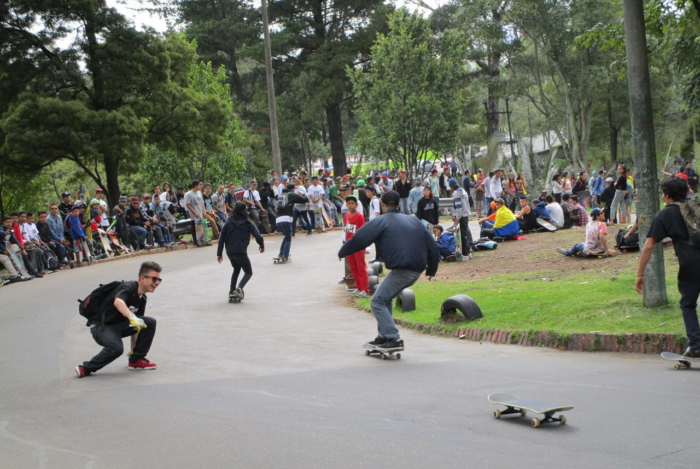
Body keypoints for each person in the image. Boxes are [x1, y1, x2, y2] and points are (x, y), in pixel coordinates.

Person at [338, 191, 440, 350]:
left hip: (402, 271)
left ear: (382, 204)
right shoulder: (414, 220)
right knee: (384, 298)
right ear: (399, 204)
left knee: (377, 301)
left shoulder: (381, 221)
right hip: (415, 270)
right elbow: (433, 246)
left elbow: (360, 238)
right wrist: (431, 269)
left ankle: (393, 338)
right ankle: (384, 336)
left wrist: (343, 251)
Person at [635, 178, 700, 357]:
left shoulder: (665, 214)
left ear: (666, 194)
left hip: (691, 265)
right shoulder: (696, 207)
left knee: (688, 304)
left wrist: (640, 273)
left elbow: (649, 246)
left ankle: (696, 345)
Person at [75, 261, 162, 378]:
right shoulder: (128, 287)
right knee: (116, 349)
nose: (157, 283)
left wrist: (134, 351)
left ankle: (136, 361)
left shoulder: (142, 298)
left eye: (159, 280)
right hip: (102, 326)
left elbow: (137, 326)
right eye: (154, 279)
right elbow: (118, 302)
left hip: (119, 325)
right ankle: (86, 368)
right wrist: (132, 317)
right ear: (142, 278)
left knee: (149, 322)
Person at [217, 202, 265, 299]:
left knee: (236, 269)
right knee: (248, 272)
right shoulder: (248, 223)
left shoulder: (228, 222)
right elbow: (258, 236)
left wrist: (219, 253)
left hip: (230, 251)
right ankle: (239, 288)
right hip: (241, 252)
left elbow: (221, 238)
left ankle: (232, 290)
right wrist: (261, 245)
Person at [343, 195, 370, 298]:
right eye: (348, 203)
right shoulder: (346, 216)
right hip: (350, 246)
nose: (350, 205)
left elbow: (362, 231)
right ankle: (358, 287)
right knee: (353, 268)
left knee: (361, 268)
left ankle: (365, 289)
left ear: (356, 205)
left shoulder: (359, 216)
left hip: (358, 246)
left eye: (352, 203)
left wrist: (362, 245)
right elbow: (346, 230)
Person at [275, 183, 309, 262]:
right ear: (293, 188)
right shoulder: (291, 195)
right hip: (286, 218)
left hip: (278, 219)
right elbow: (305, 199)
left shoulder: (281, 195)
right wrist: (302, 193)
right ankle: (285, 256)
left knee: (286, 236)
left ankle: (281, 254)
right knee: (288, 238)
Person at [449, 178, 472, 259]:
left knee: (462, 236)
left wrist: (457, 219)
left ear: (451, 187)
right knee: (465, 234)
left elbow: (458, 207)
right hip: (466, 214)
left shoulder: (456, 193)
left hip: (461, 216)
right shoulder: (463, 191)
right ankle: (468, 252)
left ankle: (465, 254)